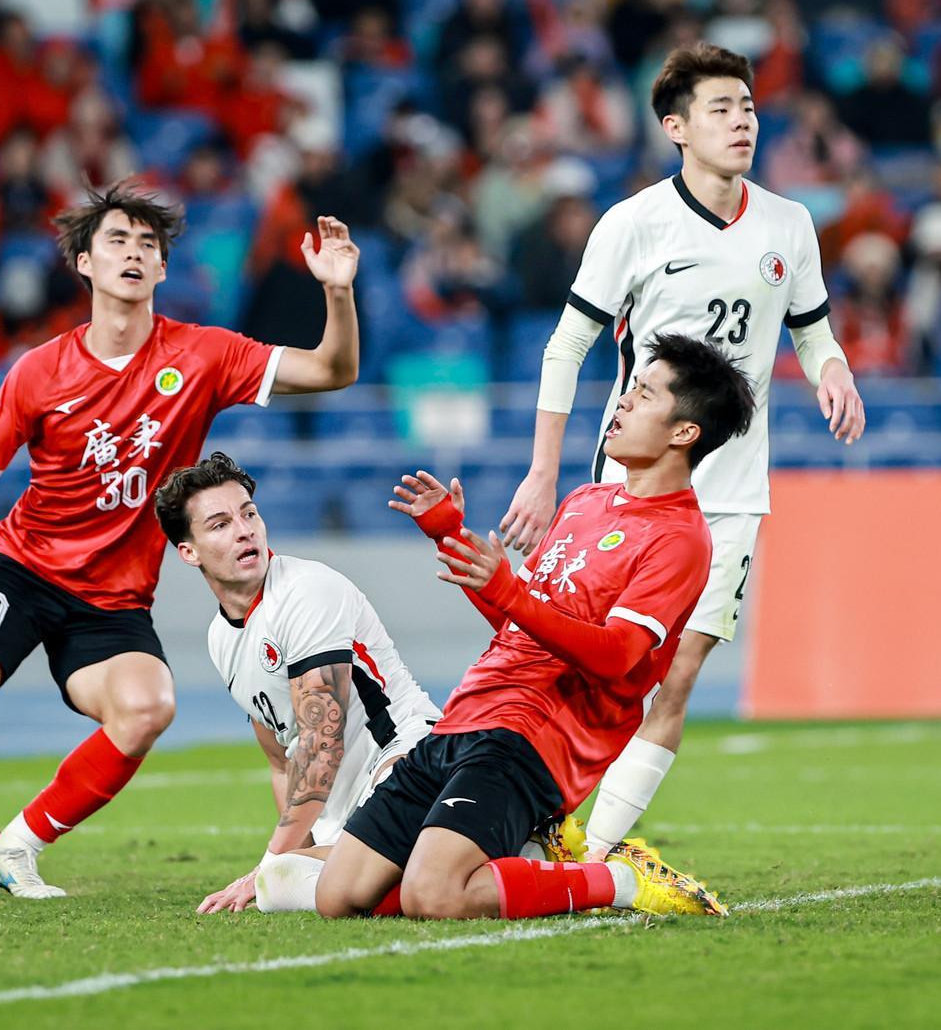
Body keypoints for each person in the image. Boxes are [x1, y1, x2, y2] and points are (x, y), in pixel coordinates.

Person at [0, 181, 361, 902]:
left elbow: (334, 370)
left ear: (162, 268)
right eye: (117, 240)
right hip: (23, 571)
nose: (133, 253)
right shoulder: (39, 371)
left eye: (147, 244)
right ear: (85, 263)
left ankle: (16, 847)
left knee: (148, 706)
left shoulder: (203, 354)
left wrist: (337, 292)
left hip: (113, 600)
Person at [499, 43, 866, 860]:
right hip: (627, 491)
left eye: (748, 107)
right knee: (584, 667)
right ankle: (525, 820)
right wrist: (543, 470)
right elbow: (567, 345)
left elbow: (812, 332)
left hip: (729, 496)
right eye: (720, 109)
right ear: (677, 128)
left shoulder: (789, 224)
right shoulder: (633, 224)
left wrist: (834, 370)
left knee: (678, 674)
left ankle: (591, 860)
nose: (742, 122)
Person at [315, 334, 755, 920]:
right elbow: (520, 622)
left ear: (685, 432)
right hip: (468, 712)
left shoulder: (679, 538)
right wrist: (453, 538)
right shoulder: (584, 501)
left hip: (536, 736)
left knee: (434, 895)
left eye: (645, 394)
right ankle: (526, 857)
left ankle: (617, 881)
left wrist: (506, 590)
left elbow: (617, 656)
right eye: (630, 388)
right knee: (338, 897)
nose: (623, 401)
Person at [153, 452, 442, 914]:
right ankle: (432, 865)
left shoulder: (307, 590)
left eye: (249, 513)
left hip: (405, 757)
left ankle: (464, 858)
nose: (244, 530)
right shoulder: (220, 638)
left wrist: (267, 865)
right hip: (344, 813)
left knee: (283, 880)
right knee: (282, 886)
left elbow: (321, 743)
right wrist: (287, 861)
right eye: (220, 524)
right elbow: (280, 760)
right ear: (189, 552)